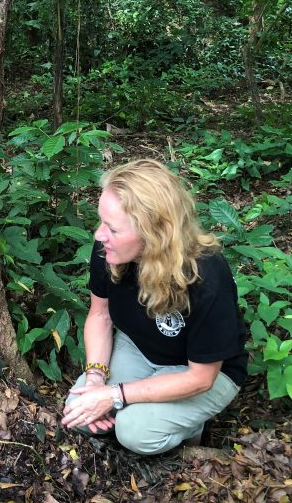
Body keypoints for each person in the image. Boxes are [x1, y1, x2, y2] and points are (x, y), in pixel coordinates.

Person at [61, 159, 247, 455]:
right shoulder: (108, 251)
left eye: (112, 228)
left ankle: (191, 427)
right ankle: (154, 411)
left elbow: (202, 378)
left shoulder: (207, 275)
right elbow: (101, 315)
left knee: (135, 431)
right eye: (100, 221)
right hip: (140, 349)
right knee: (78, 409)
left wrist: (115, 396)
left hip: (200, 371)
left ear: (155, 232)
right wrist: (96, 376)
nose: (99, 235)